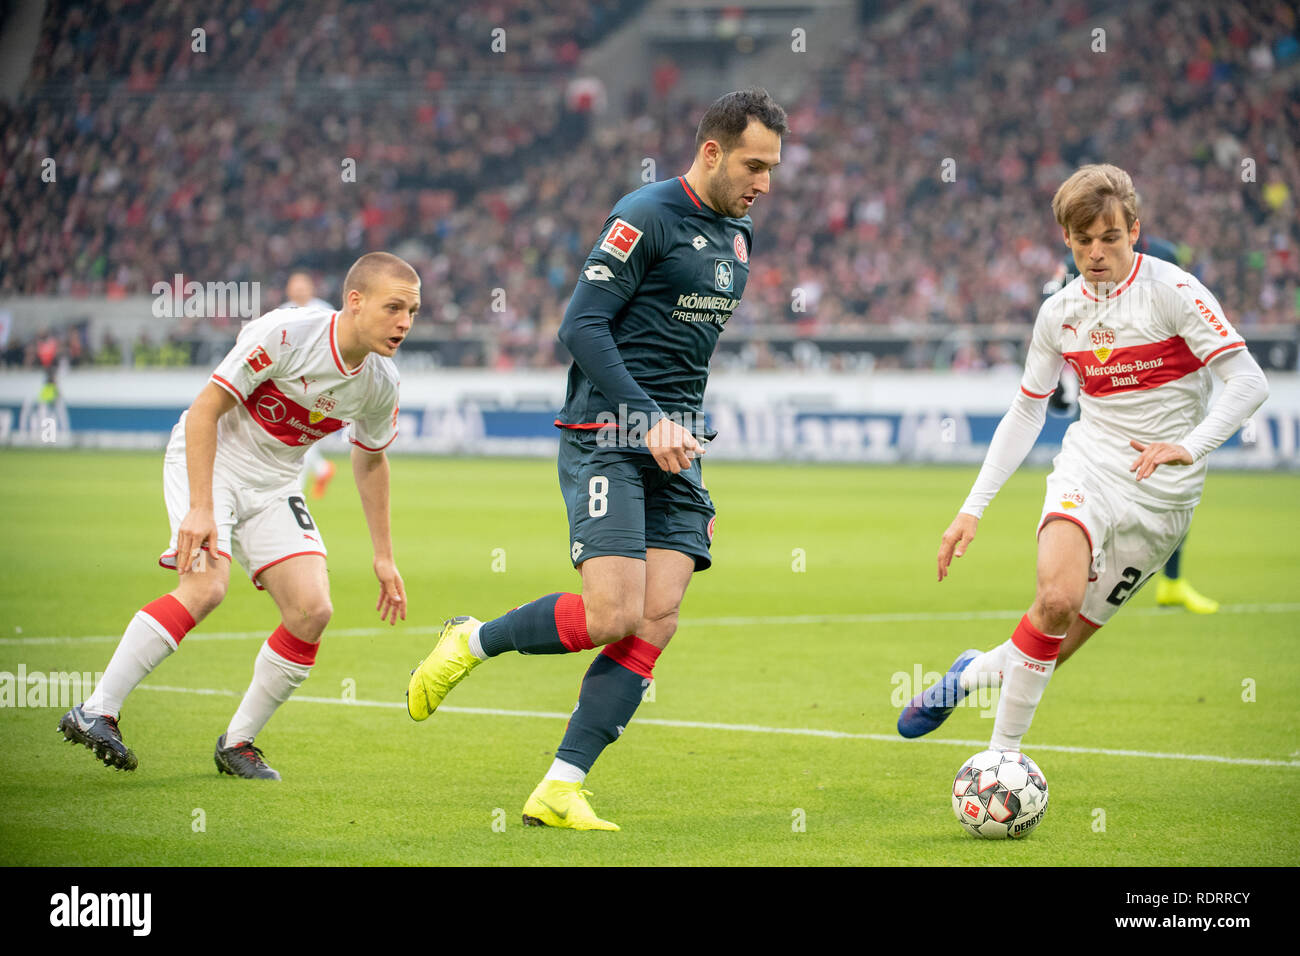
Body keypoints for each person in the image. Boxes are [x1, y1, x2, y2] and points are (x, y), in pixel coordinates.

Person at [406, 89, 787, 829]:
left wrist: (675, 425)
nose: (764, 184)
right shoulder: (642, 213)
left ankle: (560, 784)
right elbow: (579, 326)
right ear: (711, 151)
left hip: (676, 446)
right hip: (608, 433)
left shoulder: (739, 237)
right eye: (753, 164)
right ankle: (471, 640)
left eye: (772, 168)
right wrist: (644, 418)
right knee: (615, 613)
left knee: (657, 618)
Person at [898, 164, 1268, 750]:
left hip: (1164, 502)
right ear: (1066, 240)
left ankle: (969, 673)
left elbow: (1248, 382)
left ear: (1135, 231)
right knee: (1055, 601)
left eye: (1110, 238)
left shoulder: (1174, 291)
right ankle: (1002, 762)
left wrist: (1190, 446)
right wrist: (973, 509)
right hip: (1088, 471)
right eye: (1083, 239)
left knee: (1047, 645)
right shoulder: (1060, 313)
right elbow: (1026, 411)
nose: (1096, 253)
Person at [58, 252, 416, 778]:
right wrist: (201, 508)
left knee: (312, 610)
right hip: (210, 460)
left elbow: (370, 458)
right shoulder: (287, 333)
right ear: (355, 301)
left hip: (274, 483)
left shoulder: (381, 382)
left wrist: (383, 556)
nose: (405, 322)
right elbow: (205, 409)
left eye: (413, 310)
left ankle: (238, 743)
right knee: (205, 588)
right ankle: (97, 709)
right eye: (394, 307)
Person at [1045, 233, 1221, 614]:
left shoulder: (1164, 257)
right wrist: (1057, 378)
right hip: (1105, 395)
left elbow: (1185, 310)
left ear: (1132, 227)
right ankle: (1085, 569)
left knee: (1170, 492)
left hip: (1159, 402)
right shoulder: (1078, 258)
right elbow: (1054, 306)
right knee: (1096, 486)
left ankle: (1170, 582)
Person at [284, 270, 340, 498]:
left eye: (302, 286)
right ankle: (319, 470)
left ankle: (297, 488)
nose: (298, 290)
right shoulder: (282, 311)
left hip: (317, 379)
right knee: (299, 429)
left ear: (310, 288)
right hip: (290, 380)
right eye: (294, 286)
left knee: (301, 429)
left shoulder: (325, 312)